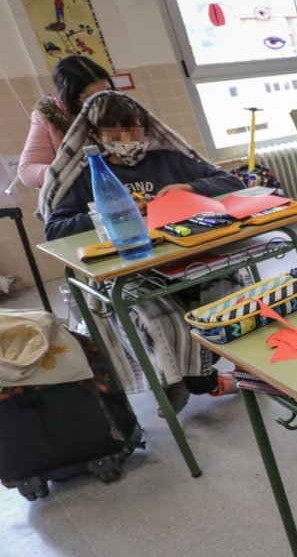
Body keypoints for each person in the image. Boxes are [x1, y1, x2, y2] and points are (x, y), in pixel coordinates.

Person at [39, 90, 246, 412]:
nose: (127, 138)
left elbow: (232, 183)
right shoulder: (87, 176)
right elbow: (55, 229)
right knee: (162, 321)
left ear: (146, 128)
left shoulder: (169, 159)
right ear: (95, 136)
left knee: (234, 299)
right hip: (133, 269)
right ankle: (179, 381)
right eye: (115, 133)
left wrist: (188, 188)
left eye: (133, 129)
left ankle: (209, 371)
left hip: (191, 256)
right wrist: (112, 212)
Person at [18, 55, 113, 188]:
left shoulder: (120, 108)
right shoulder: (50, 115)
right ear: (69, 96)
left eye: (106, 92)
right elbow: (27, 171)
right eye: (89, 97)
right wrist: (72, 173)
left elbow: (144, 143)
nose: (101, 102)